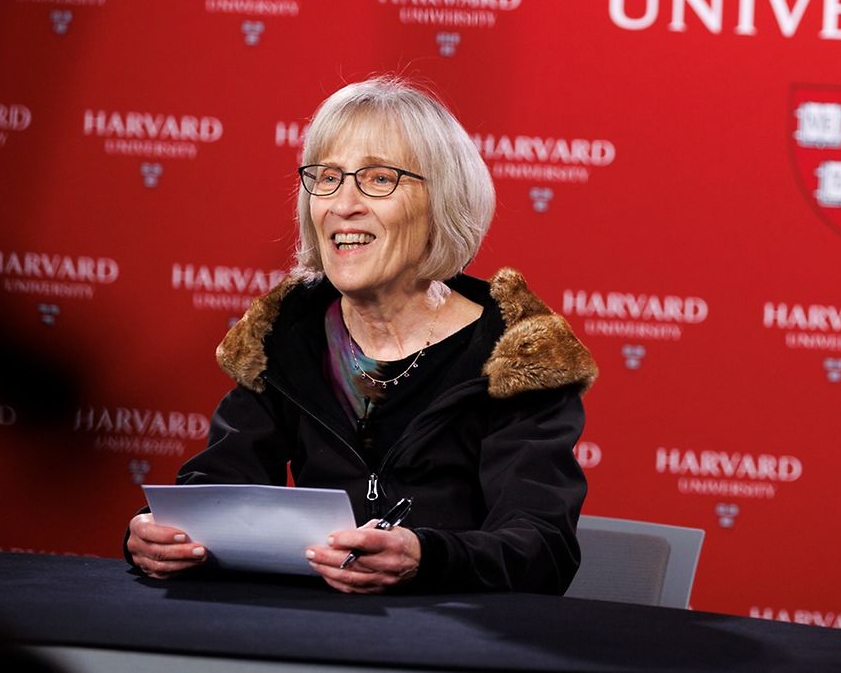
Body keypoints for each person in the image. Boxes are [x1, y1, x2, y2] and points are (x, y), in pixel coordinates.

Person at [124, 76, 597, 594]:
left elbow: (542, 549)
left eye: (377, 179)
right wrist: (157, 534)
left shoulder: (515, 354)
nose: (342, 204)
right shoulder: (287, 334)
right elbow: (215, 491)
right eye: (326, 178)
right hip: (308, 636)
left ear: (442, 201)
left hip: (456, 639)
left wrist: (426, 557)